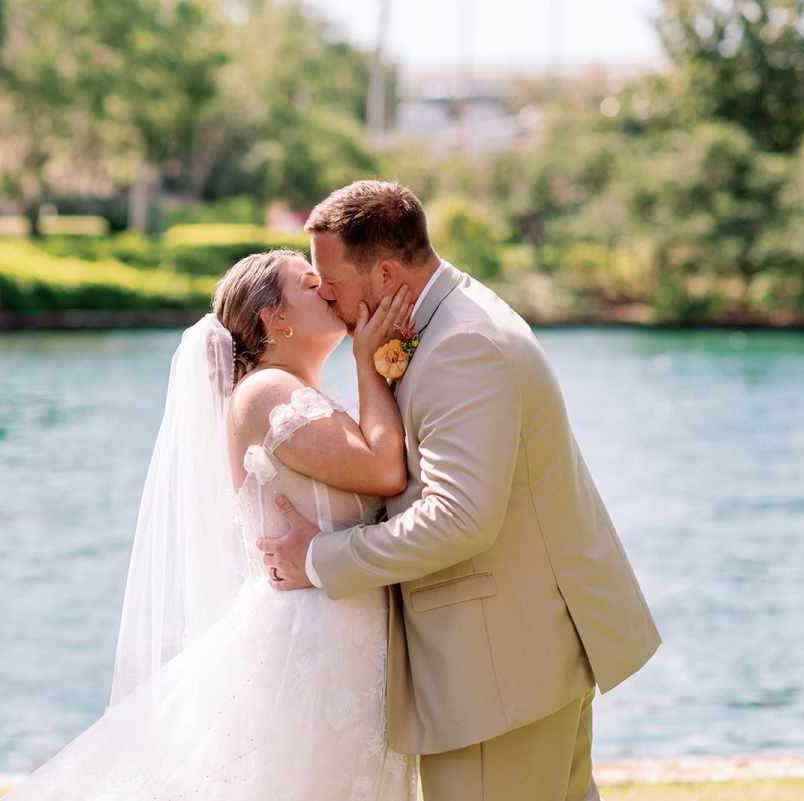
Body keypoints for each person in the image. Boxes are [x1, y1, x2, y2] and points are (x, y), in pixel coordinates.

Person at [258, 180, 662, 801]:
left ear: (387, 272)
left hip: (497, 668)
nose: (329, 299)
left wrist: (318, 559)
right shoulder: (451, 318)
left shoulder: (461, 346)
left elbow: (459, 517)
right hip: (522, 655)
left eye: (332, 285)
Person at [0, 249, 420, 801]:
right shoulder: (268, 392)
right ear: (276, 319)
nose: (328, 289)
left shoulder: (304, 394)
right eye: (310, 282)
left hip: (345, 636)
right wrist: (368, 359)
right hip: (310, 646)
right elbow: (385, 469)